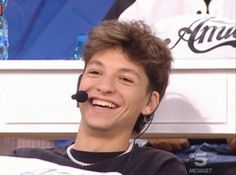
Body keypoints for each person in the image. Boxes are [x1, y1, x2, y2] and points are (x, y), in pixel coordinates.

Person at [11, 20, 187, 175]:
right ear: (80, 84)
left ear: (149, 102)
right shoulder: (25, 161)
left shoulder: (157, 168)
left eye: (125, 79)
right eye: (95, 72)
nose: (104, 87)